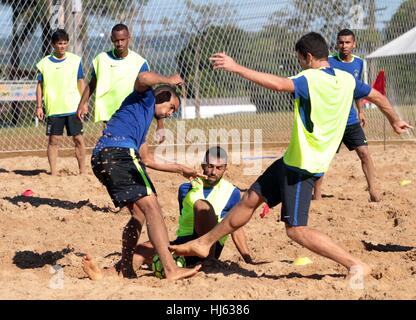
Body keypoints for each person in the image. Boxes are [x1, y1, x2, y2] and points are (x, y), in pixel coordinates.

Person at [170, 32, 412, 278]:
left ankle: (354, 264)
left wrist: (236, 67)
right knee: (250, 199)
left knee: (296, 230)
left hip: (302, 166)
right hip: (291, 159)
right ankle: (204, 242)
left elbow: (277, 84)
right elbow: (377, 96)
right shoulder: (347, 79)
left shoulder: (309, 79)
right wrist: (395, 120)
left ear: (308, 57)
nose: (299, 64)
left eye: (299, 60)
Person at [82, 70, 202, 281]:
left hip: (103, 157)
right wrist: (168, 80)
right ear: (163, 97)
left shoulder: (140, 120)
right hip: (118, 154)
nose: (170, 113)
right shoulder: (145, 97)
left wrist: (180, 169)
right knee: (152, 206)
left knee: (138, 213)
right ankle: (170, 269)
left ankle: (125, 268)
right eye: (171, 107)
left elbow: (146, 159)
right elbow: (143, 77)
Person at [131, 146, 253, 269]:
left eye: (219, 168)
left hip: (210, 247)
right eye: (210, 166)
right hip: (183, 245)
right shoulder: (185, 189)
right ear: (203, 165)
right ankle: (124, 272)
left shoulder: (233, 192)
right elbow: (186, 222)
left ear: (225, 168)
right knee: (141, 250)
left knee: (202, 206)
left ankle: (209, 261)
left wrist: (248, 260)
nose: (213, 172)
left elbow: (236, 228)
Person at [313, 29, 380, 202]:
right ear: (337, 44)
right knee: (324, 158)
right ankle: (317, 196)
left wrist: (361, 110)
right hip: (330, 120)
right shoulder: (328, 62)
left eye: (347, 42)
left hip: (350, 118)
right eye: (341, 42)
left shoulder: (359, 63)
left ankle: (374, 191)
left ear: (354, 44)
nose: (344, 46)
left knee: (364, 153)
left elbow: (356, 89)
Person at [76, 23, 165, 140]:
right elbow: (92, 84)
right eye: (116, 40)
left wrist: (160, 124)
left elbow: (149, 94)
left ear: (129, 38)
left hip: (132, 112)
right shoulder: (101, 59)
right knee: (112, 146)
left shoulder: (140, 63)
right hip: (109, 114)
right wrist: (82, 104)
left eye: (123, 39)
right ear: (112, 39)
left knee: (137, 149)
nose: (120, 43)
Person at [36, 29, 86, 176]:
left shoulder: (75, 60)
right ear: (53, 44)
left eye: (65, 43)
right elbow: (39, 86)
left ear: (68, 43)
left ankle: (82, 172)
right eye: (59, 43)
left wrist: (84, 103)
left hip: (73, 107)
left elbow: (81, 82)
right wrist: (39, 106)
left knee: (78, 139)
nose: (62, 46)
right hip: (54, 108)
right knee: (53, 140)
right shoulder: (44, 63)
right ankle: (53, 173)